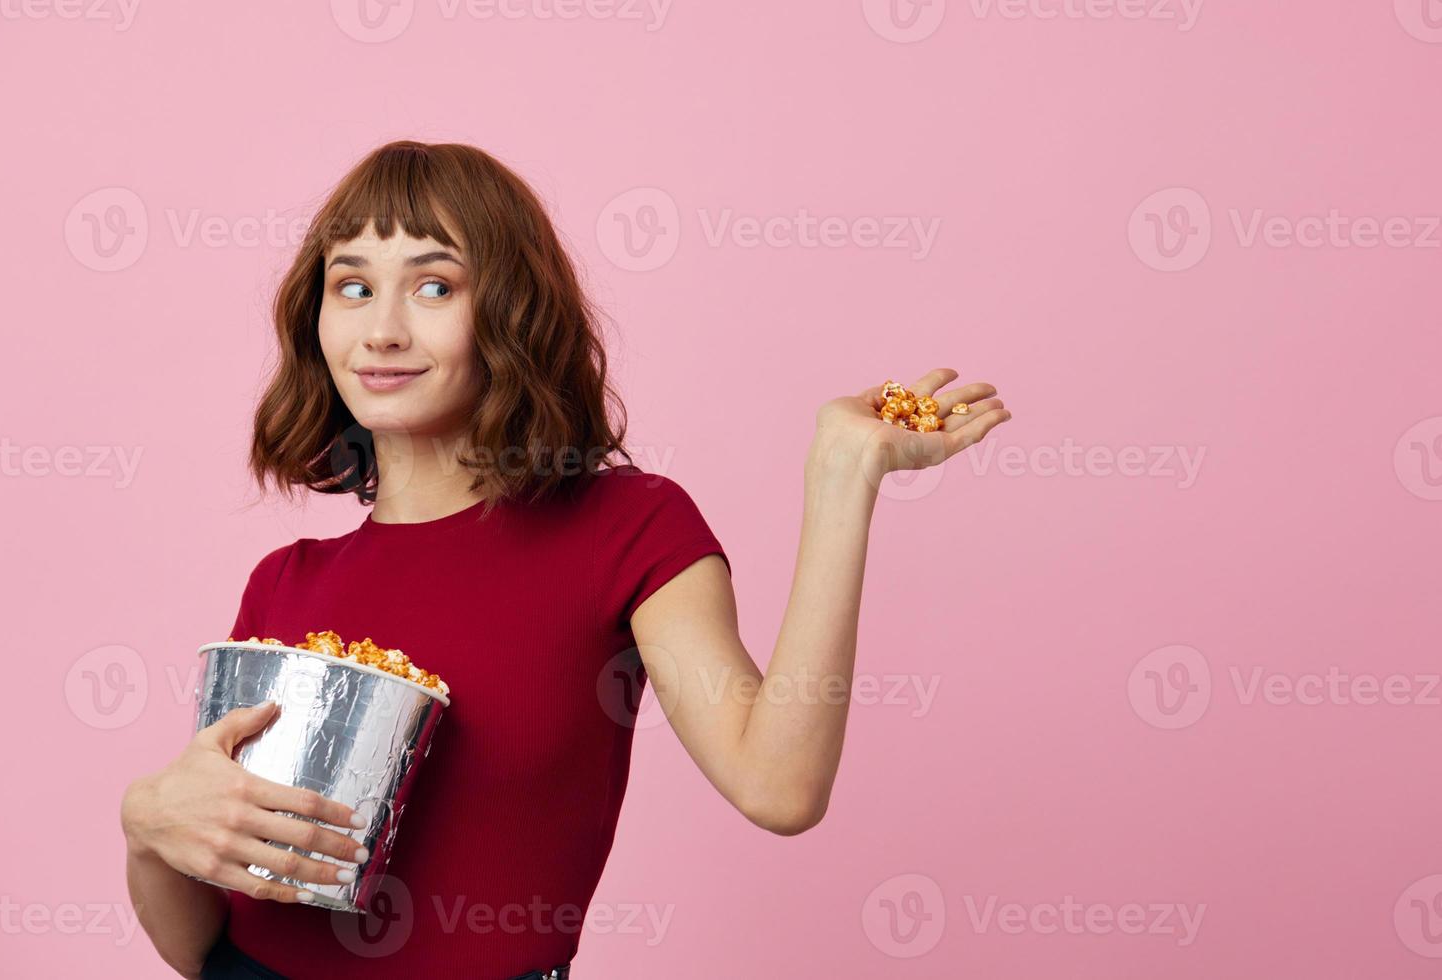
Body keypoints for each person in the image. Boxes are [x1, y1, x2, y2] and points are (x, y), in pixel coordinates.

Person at [118, 140, 1011, 979]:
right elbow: (203, 942)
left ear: (510, 311)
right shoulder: (285, 581)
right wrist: (147, 824)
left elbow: (779, 785)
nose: (381, 330)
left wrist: (841, 479)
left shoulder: (627, 529)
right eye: (352, 286)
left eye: (433, 287)